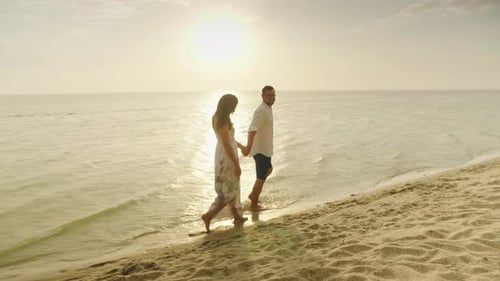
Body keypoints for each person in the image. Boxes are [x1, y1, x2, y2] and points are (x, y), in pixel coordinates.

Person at [202, 94, 247, 232]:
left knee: (232, 187)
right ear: (229, 105)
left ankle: (237, 216)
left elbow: (230, 139)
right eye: (234, 105)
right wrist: (236, 164)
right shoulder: (223, 120)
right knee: (227, 191)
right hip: (226, 158)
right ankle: (208, 215)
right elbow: (227, 143)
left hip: (224, 154)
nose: (235, 108)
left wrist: (240, 147)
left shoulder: (217, 118)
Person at [240, 85, 276, 209]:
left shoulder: (267, 109)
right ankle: (254, 201)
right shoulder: (261, 110)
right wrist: (248, 147)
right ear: (262, 96)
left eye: (273, 95)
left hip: (265, 149)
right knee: (262, 175)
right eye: (269, 95)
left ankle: (253, 196)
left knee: (267, 170)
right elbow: (252, 128)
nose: (272, 98)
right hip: (260, 150)